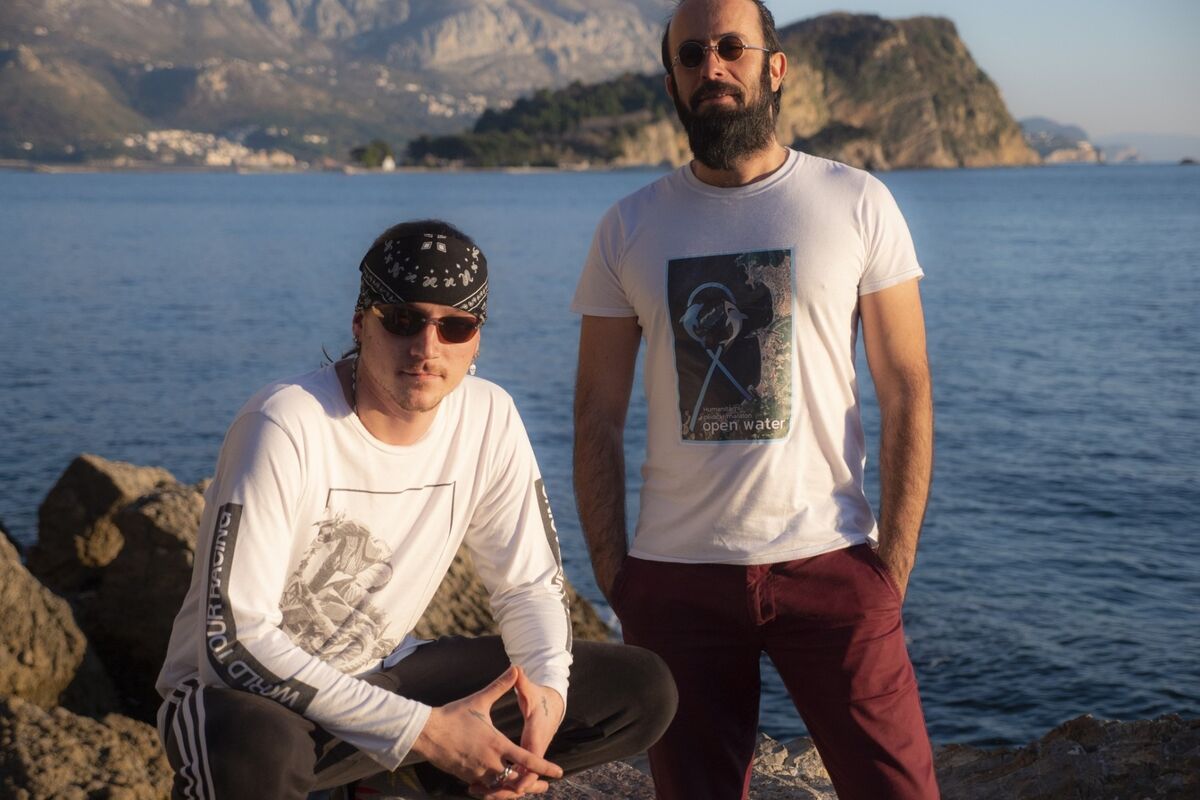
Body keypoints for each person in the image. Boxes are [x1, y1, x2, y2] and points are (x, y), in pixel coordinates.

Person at [156, 219, 676, 800]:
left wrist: (545, 700)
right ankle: (401, 762)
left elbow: (528, 584)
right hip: (249, 696)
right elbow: (234, 640)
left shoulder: (489, 418)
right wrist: (425, 731)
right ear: (361, 324)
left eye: (455, 326)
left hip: (383, 674)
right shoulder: (285, 424)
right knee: (254, 745)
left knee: (640, 690)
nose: (427, 348)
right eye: (403, 320)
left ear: (476, 340)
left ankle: (401, 777)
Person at [571, 1, 938, 798]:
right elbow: (596, 411)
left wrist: (892, 568)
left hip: (831, 561)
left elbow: (906, 388)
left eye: (731, 48)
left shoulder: (857, 202)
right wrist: (617, 575)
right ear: (671, 81)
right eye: (691, 55)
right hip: (675, 578)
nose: (712, 67)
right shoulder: (627, 228)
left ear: (775, 68)